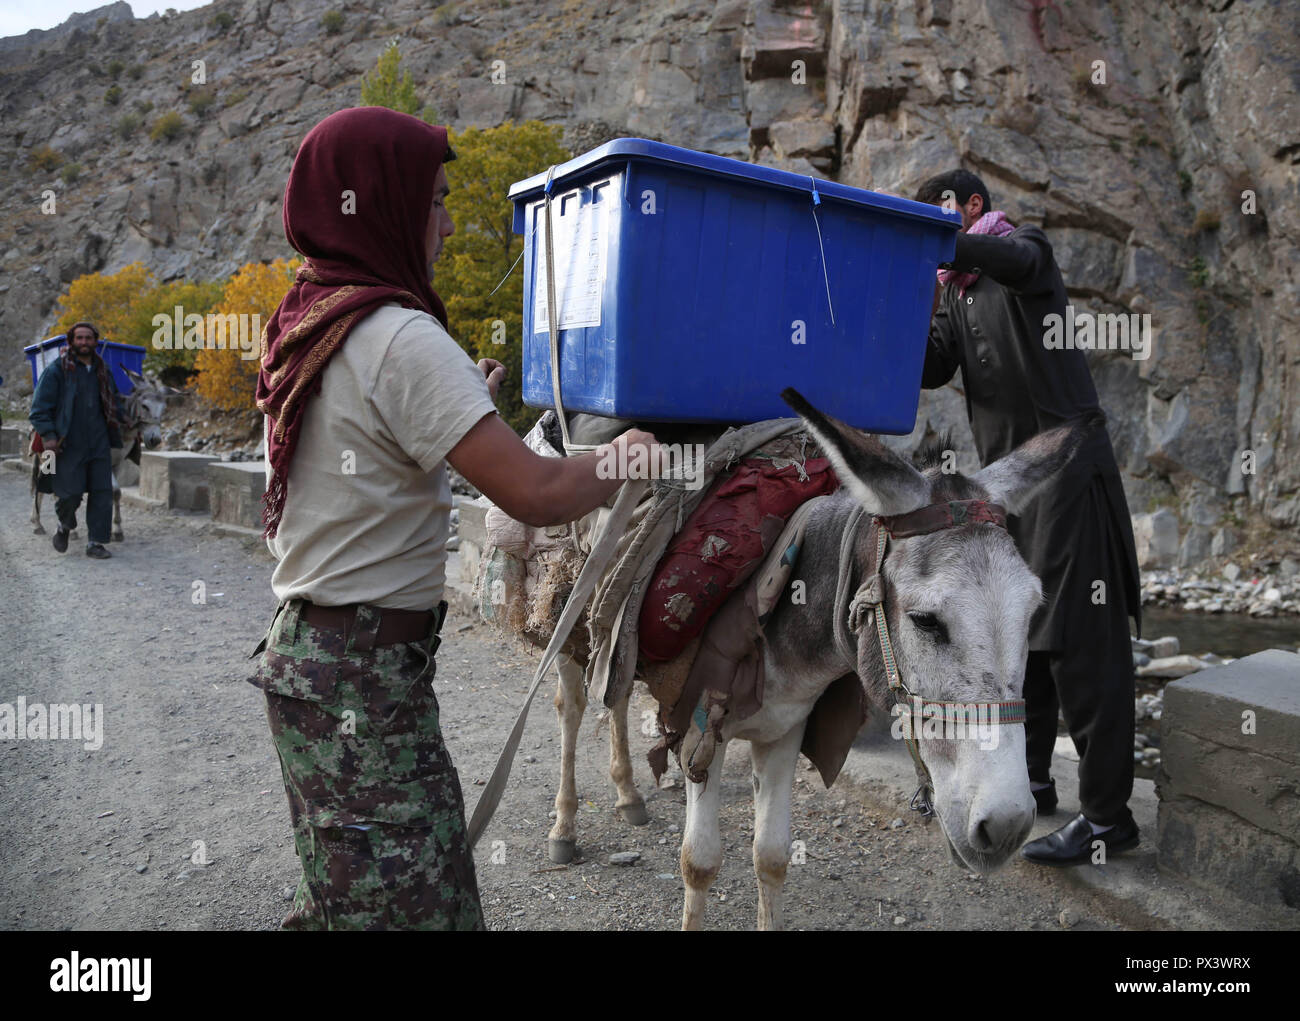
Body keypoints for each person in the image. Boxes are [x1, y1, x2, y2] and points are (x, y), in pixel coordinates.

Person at [247, 106, 655, 930]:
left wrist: (466, 395)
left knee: (345, 895)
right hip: (363, 680)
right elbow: (536, 493)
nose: (447, 220)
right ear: (381, 202)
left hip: (313, 663)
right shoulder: (400, 337)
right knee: (420, 908)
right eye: (433, 199)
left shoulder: (311, 317)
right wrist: (625, 458)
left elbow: (369, 430)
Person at [914, 168, 1142, 866]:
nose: (933, 234)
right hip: (1011, 490)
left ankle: (1107, 819)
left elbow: (1021, 262)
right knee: (1025, 636)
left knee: (1086, 645)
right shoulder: (957, 298)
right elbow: (928, 366)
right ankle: (1035, 780)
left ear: (971, 209)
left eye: (937, 219)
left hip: (1069, 474)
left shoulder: (1021, 254)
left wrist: (946, 246)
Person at [29, 321, 124, 560]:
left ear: (95, 341)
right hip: (68, 443)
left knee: (103, 492)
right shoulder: (57, 370)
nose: (84, 342)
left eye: (88, 338)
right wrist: (49, 436)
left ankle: (95, 543)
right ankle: (64, 526)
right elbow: (39, 408)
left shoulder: (103, 370)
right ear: (71, 341)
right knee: (69, 493)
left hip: (99, 441)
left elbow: (115, 401)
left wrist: (124, 420)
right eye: (79, 338)